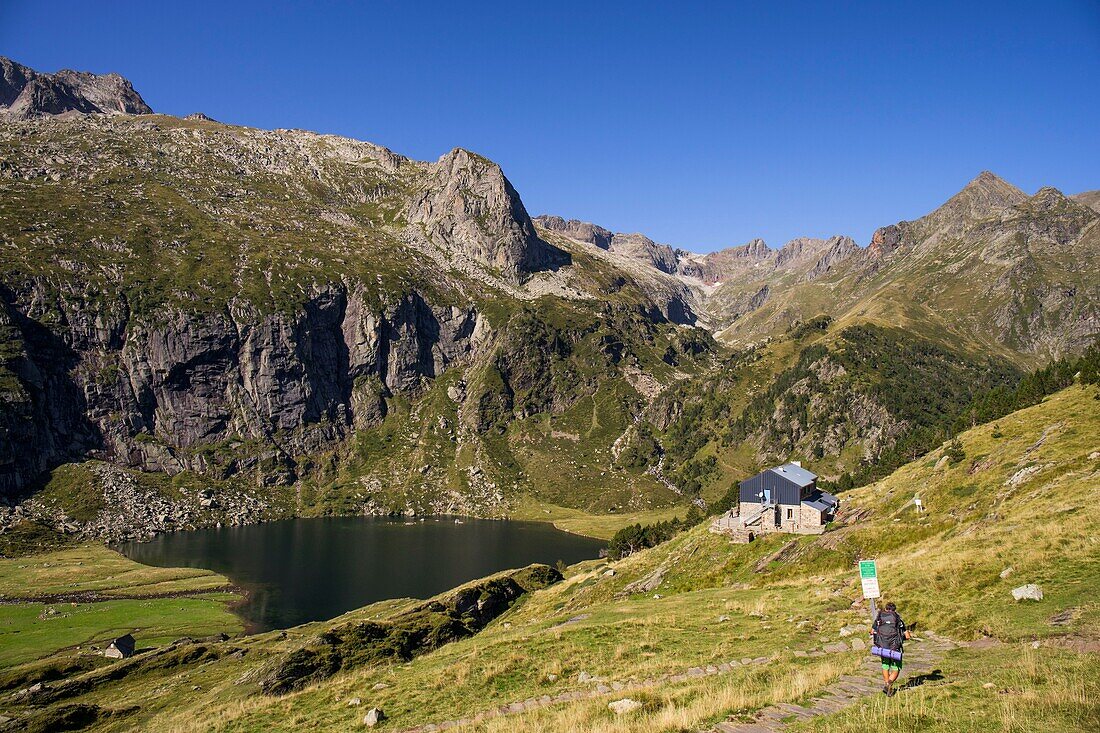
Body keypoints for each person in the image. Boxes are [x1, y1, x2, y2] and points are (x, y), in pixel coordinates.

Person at [871, 601, 911, 696]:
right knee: (895, 668)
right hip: (895, 648)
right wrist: (902, 637)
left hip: (883, 647)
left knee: (885, 666)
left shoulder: (879, 619)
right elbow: (908, 636)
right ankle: (889, 683)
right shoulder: (898, 620)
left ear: (885, 609)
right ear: (894, 610)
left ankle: (887, 685)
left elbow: (872, 631)